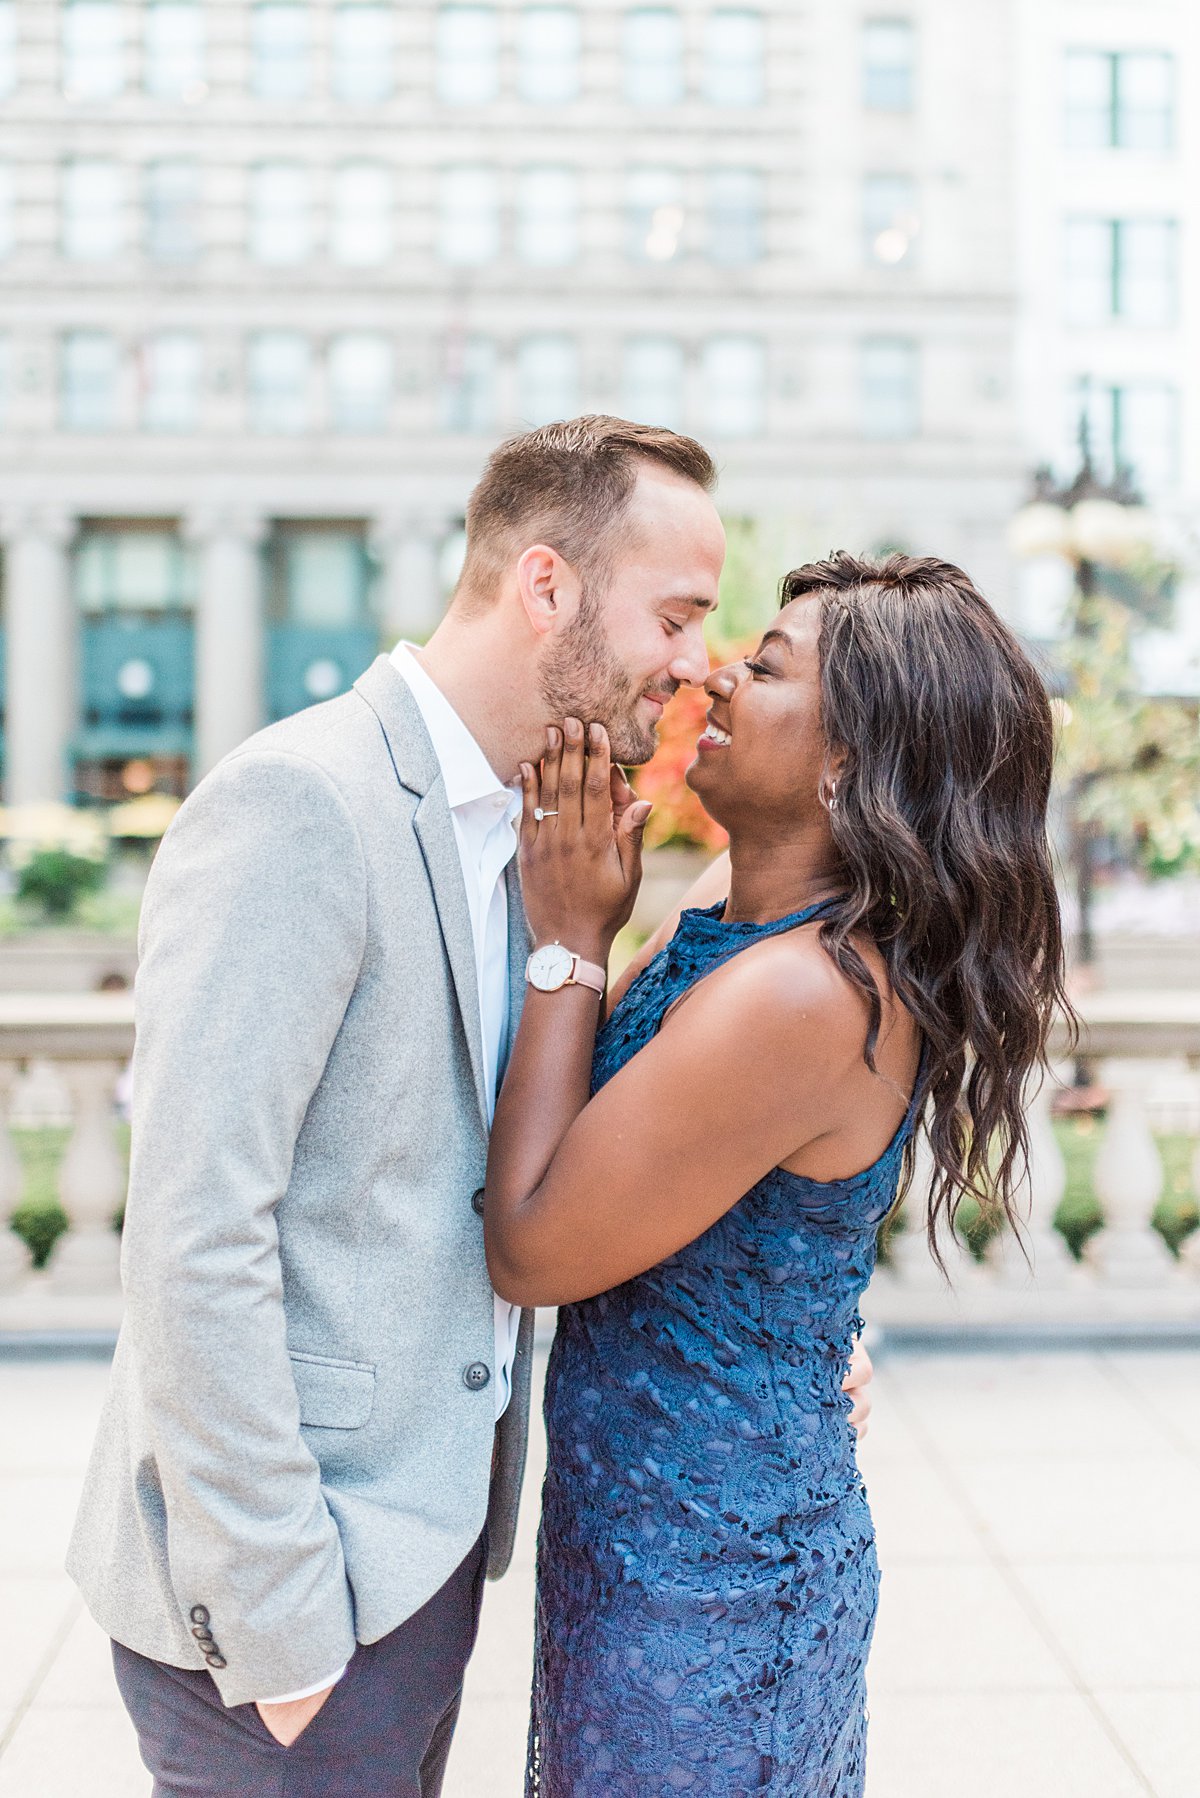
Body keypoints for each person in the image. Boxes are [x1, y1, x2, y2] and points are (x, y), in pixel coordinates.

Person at [66, 416, 876, 1798]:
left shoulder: (544, 833)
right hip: (287, 1606)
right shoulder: (299, 804)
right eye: (676, 616)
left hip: (433, 1557)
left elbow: (616, 1144)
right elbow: (194, 1236)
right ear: (546, 585)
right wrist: (284, 1626)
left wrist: (786, 1323)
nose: (699, 663)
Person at [483, 552, 1071, 1797]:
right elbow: (616, 1140)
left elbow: (533, 1244)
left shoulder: (806, 993)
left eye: (765, 667)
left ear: (851, 759)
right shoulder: (733, 910)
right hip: (651, 1541)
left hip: (708, 1590)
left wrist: (570, 939)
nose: (714, 675)